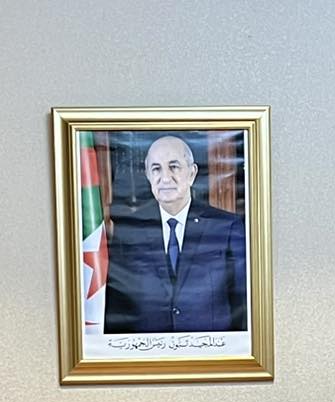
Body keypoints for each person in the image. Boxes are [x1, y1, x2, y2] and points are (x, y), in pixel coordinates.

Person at [103, 133, 247, 334]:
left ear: (192, 173)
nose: (165, 178)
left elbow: (243, 304)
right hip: (149, 356)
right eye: (156, 169)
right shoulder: (130, 229)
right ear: (147, 175)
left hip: (211, 355)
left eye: (174, 167)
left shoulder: (227, 227)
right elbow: (117, 306)